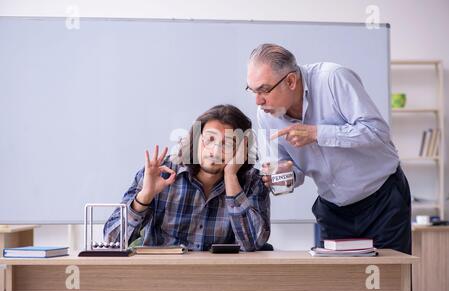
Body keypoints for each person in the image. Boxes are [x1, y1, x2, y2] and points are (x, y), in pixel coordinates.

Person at [246, 43, 411, 254]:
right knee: (337, 283)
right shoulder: (266, 115)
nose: (258, 101)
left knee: (390, 281)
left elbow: (377, 131)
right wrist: (284, 177)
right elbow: (293, 172)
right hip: (333, 210)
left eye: (264, 90)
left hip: (383, 201)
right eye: (252, 91)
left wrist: (317, 133)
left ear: (291, 81)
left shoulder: (333, 79)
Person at [104, 104, 270, 251]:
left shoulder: (253, 182)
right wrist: (144, 197)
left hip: (219, 280)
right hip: (160, 279)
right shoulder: (161, 172)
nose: (215, 150)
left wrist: (231, 176)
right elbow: (112, 241)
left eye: (227, 143)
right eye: (209, 139)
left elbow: (253, 243)